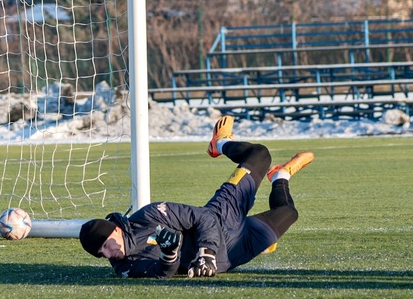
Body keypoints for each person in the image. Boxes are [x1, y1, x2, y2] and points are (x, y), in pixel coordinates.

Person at [78, 116, 314, 278]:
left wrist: (206, 253)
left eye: (107, 246)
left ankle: (220, 143)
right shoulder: (124, 267)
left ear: (114, 229)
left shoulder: (151, 214)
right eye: (102, 254)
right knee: (289, 213)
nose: (109, 255)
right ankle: (281, 176)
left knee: (260, 154)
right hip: (235, 251)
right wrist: (169, 255)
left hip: (222, 214)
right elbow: (161, 272)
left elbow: (203, 218)